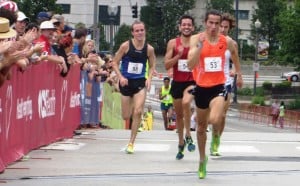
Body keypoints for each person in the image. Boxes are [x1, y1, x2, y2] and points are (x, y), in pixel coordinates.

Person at [187, 9, 243, 179]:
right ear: (205, 23)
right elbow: (190, 65)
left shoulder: (226, 41)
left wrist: (238, 73)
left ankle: (215, 136)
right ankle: (202, 159)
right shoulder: (196, 39)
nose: (213, 27)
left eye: (216, 24)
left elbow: (234, 54)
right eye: (210, 23)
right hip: (202, 87)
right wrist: (199, 48)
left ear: (220, 25)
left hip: (219, 86)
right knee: (202, 128)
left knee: (215, 119)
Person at [111, 20, 156, 154]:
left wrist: (149, 78)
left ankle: (131, 143)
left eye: (142, 30)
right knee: (126, 116)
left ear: (145, 31)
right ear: (133, 33)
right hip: (126, 82)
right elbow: (114, 62)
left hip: (139, 83)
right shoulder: (125, 46)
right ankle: (119, 89)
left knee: (137, 111)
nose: (140, 33)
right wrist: (120, 77)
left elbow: (153, 65)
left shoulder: (149, 49)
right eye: (137, 31)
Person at [164, 15, 196, 160]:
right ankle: (181, 143)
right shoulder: (173, 43)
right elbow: (166, 65)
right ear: (179, 27)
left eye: (189, 25)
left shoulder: (197, 42)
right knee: (179, 115)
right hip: (177, 82)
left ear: (193, 27)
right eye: (184, 25)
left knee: (186, 103)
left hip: (192, 81)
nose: (186, 27)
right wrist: (179, 55)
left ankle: (188, 134)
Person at [209, 12, 241, 156]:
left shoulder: (231, 43)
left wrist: (236, 73)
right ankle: (209, 132)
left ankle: (216, 141)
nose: (222, 29)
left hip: (225, 82)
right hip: (209, 81)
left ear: (229, 28)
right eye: (220, 26)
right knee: (211, 115)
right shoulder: (210, 40)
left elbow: (235, 62)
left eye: (225, 27)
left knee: (222, 115)